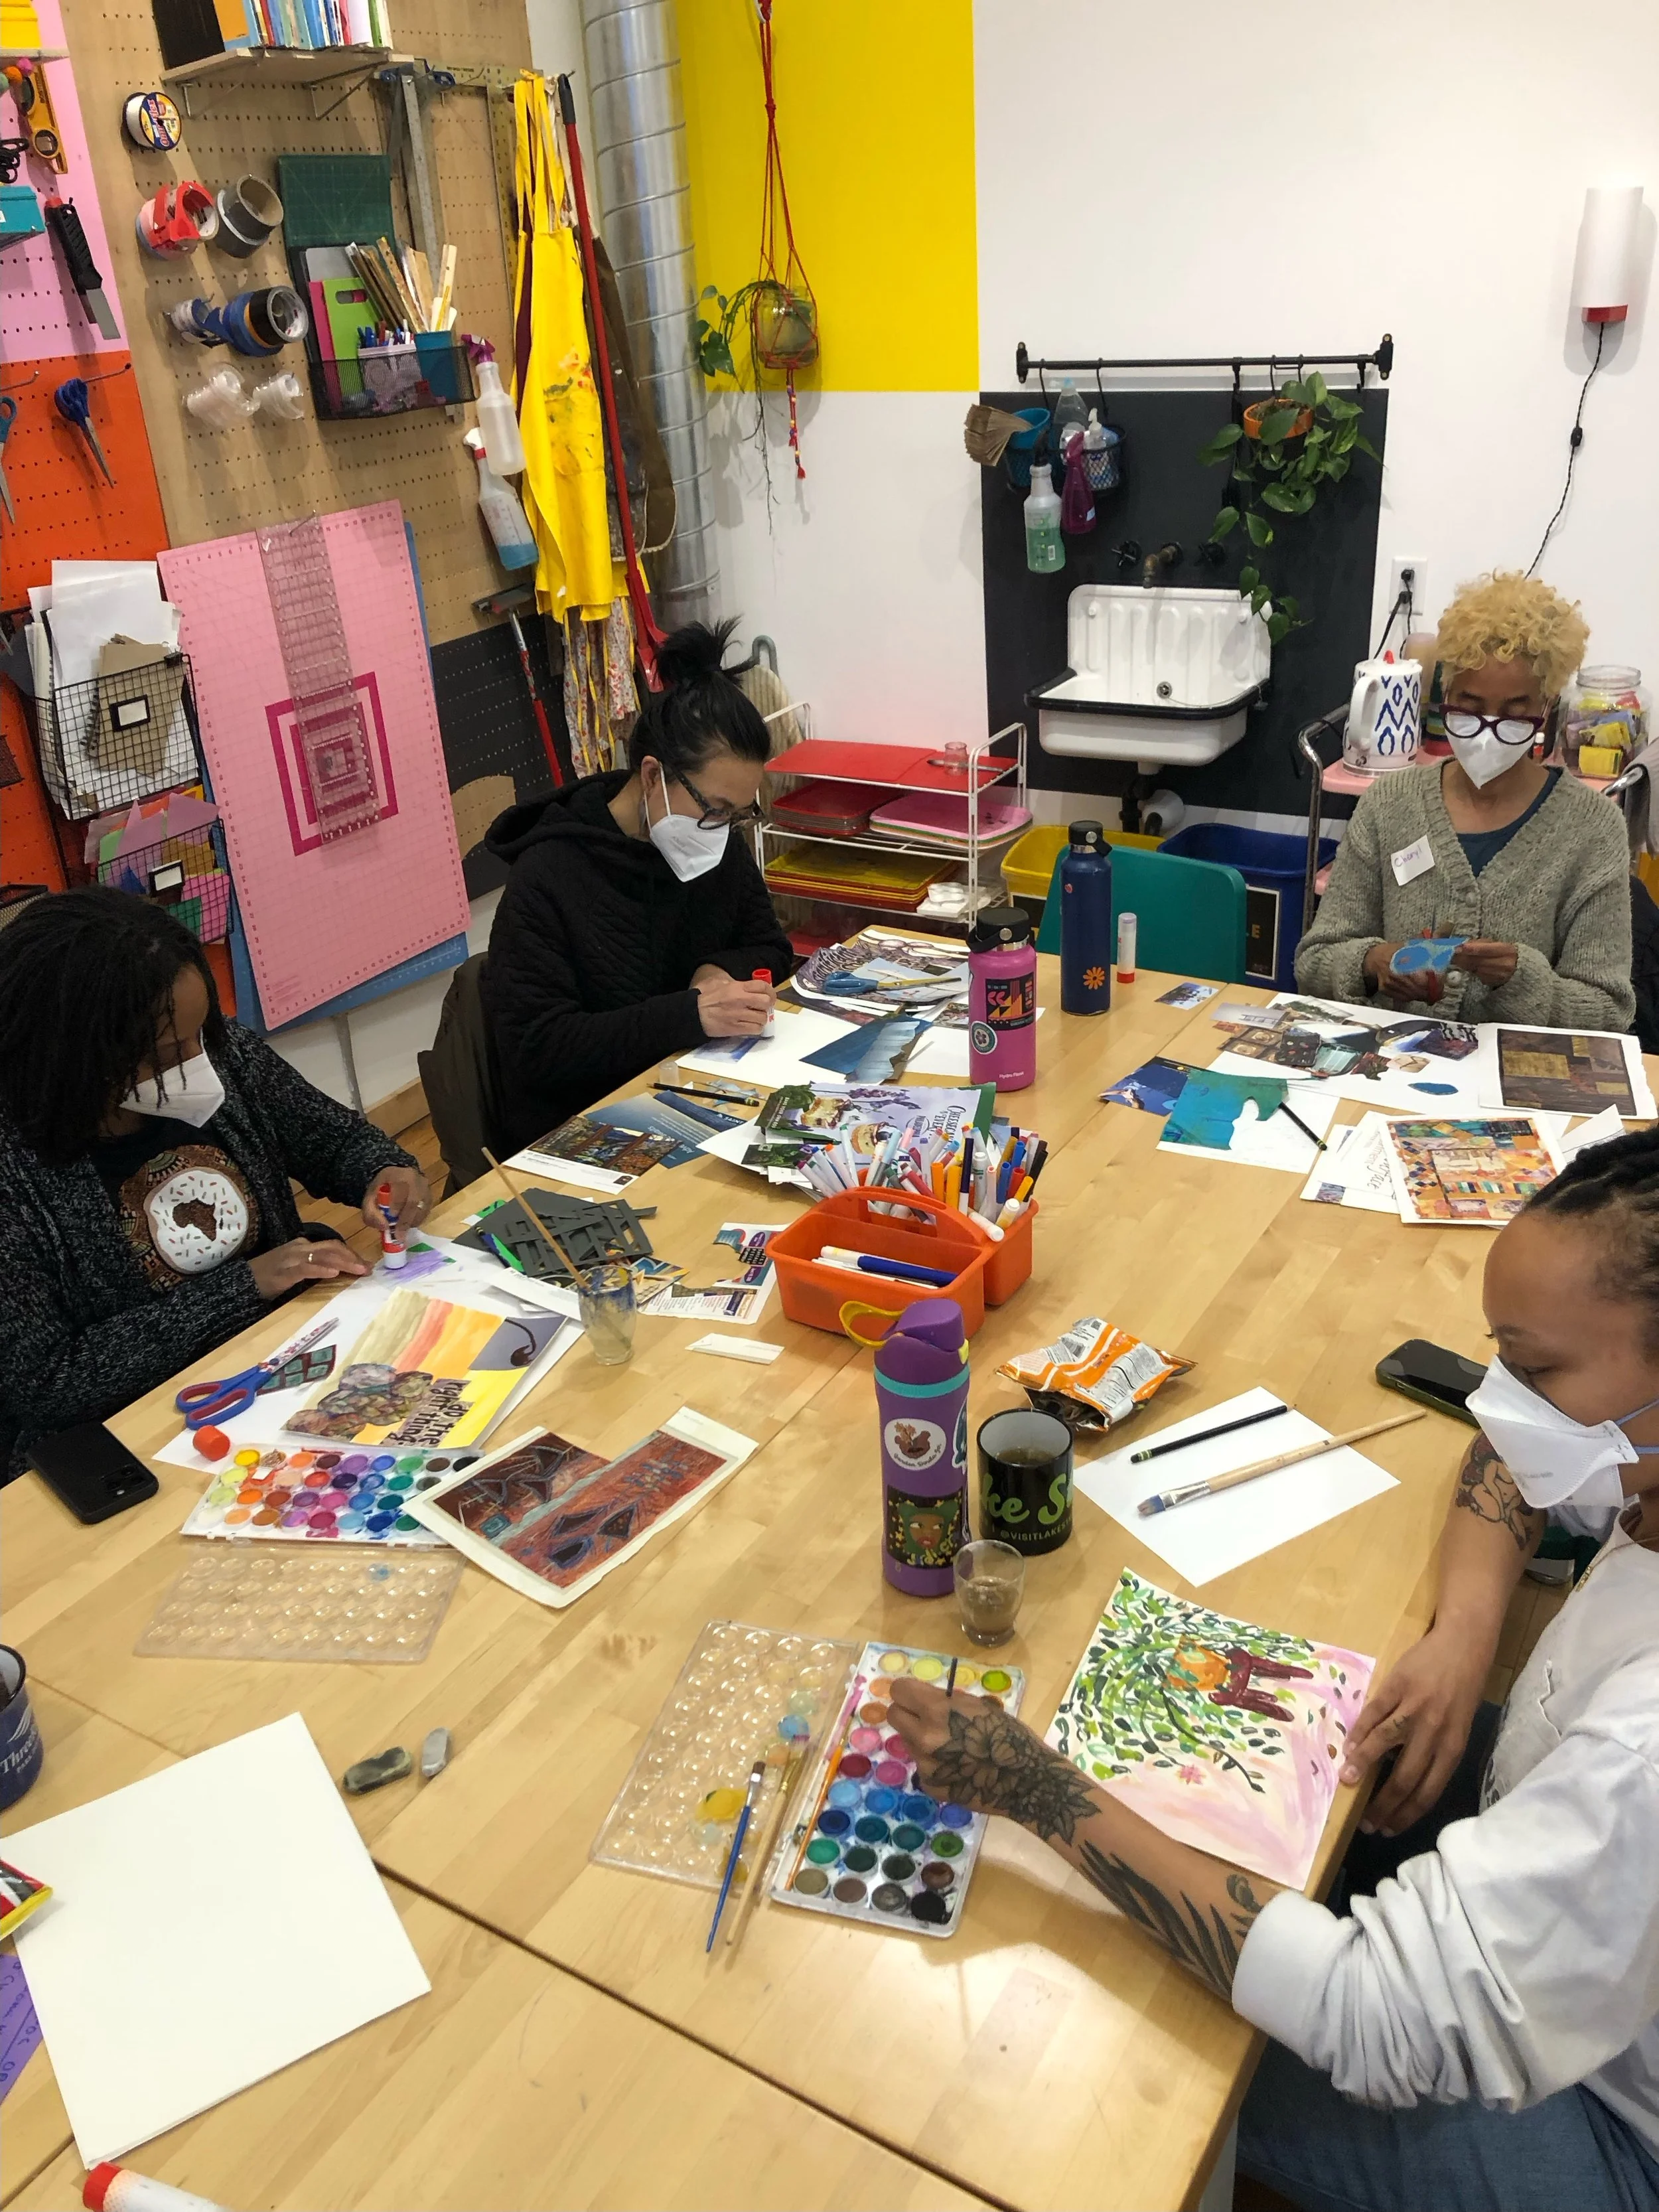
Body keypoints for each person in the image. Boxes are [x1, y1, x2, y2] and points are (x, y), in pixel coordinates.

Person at [887, 1128, 1659, 2212]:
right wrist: (1462, 1632)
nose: (1499, 1399)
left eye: (1533, 1369)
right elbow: (1510, 1450)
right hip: (1572, 1885)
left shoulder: (1643, 1749)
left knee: (1120, 2046)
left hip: (1613, 2136)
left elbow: (1372, 2012)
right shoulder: (1634, 1444)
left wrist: (1038, 1790)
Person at [0, 889, 429, 1484]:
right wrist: (246, 1286)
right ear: (76, 1055)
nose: (200, 1062)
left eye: (202, 1032)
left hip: (285, 1355)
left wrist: (385, 1170)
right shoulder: (15, 1172)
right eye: (167, 1052)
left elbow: (335, 1141)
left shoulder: (221, 1055)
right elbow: (50, 1382)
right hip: (139, 1436)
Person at [480, 619, 796, 1157]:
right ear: (652, 776)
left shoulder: (715, 840)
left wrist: (720, 970)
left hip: (695, 1090)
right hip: (583, 1129)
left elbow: (771, 948)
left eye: (740, 813)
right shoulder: (550, 874)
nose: (725, 826)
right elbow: (539, 1049)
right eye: (717, 808)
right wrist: (686, 1012)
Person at [1296, 572, 1635, 1030]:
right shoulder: (1389, 804)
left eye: (1515, 714)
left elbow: (1609, 1010)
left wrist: (1521, 979)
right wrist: (1372, 964)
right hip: (1391, 1071)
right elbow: (1316, 960)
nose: (1488, 731)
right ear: (1446, 695)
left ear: (1546, 706)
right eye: (1469, 708)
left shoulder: (1593, 829)